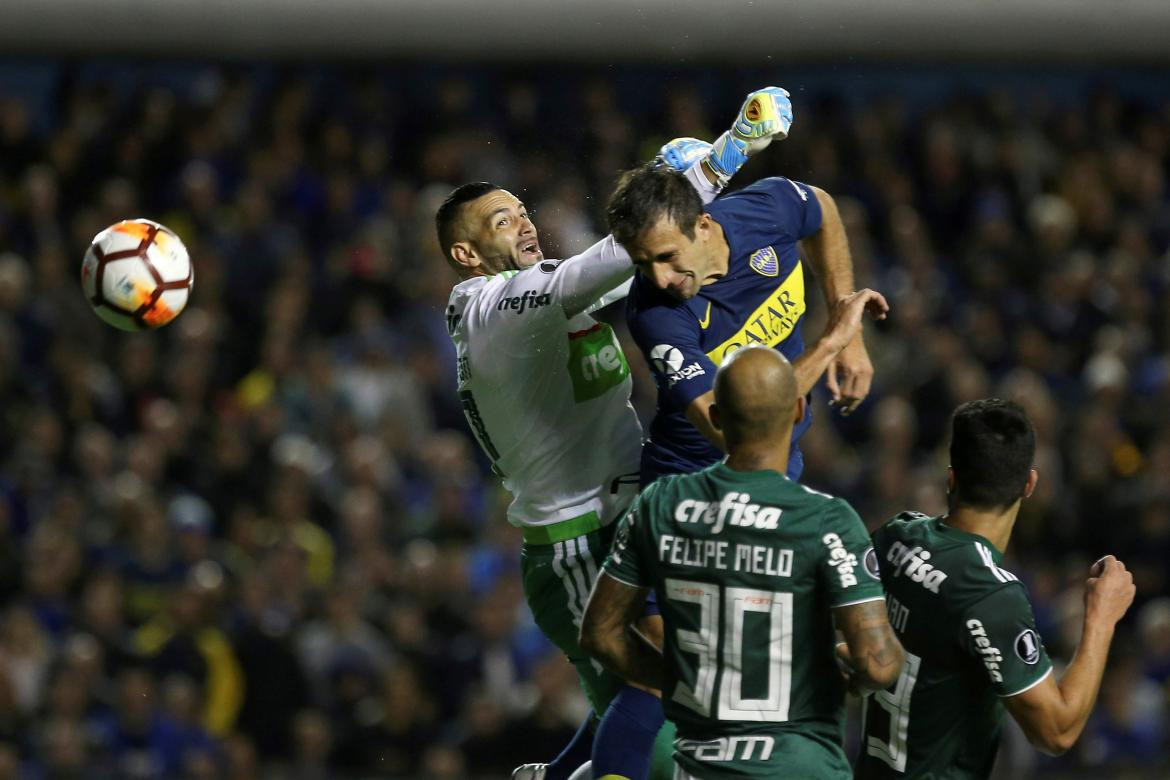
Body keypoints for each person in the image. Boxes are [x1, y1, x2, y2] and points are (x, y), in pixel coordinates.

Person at [438, 89, 794, 780]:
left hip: (623, 518)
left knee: (661, 690)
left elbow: (638, 258)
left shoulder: (536, 297)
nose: (525, 224)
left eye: (523, 211)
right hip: (575, 543)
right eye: (501, 220)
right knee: (659, 715)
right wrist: (728, 153)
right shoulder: (491, 307)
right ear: (466, 252)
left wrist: (666, 176)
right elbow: (600, 264)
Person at [580, 344, 904, 780]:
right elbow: (877, 663)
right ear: (798, 410)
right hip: (800, 767)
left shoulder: (662, 504)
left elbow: (601, 634)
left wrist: (681, 683)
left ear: (715, 417)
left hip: (699, 765)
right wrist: (854, 673)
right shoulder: (827, 521)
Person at [855, 399, 1137, 779]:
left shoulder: (895, 536)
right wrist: (1102, 617)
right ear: (1029, 484)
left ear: (951, 477)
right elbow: (1056, 732)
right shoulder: (989, 595)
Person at [606, 158, 875, 486]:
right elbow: (732, 432)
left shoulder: (765, 212)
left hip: (777, 461)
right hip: (695, 483)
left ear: (702, 226)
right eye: (643, 264)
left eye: (667, 256)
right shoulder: (656, 315)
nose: (660, 278)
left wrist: (847, 329)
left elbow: (822, 209)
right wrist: (833, 342)